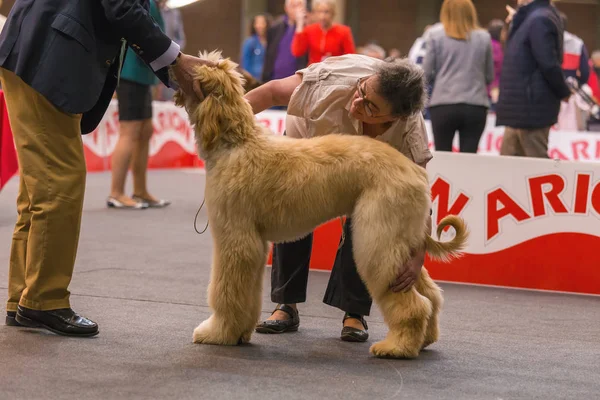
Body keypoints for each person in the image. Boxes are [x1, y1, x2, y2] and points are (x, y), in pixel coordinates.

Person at [0, 0, 212, 336]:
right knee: (60, 183)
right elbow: (122, 7)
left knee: (39, 188)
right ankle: (43, 300)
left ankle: (23, 298)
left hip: (35, 48)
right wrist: (176, 60)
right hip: (48, 55)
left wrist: (173, 64)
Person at [245, 54, 433, 342]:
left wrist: (419, 253)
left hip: (366, 171)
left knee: (369, 224)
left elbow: (417, 194)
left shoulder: (409, 132)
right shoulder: (329, 80)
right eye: (362, 91)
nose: (357, 103)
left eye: (370, 106)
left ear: (394, 118)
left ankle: (354, 311)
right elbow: (270, 93)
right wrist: (227, 124)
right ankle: (285, 304)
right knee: (290, 207)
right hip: (306, 144)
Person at [109, 0, 171, 209]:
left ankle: (141, 190)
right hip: (130, 76)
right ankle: (116, 193)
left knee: (145, 130)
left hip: (144, 77)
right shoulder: (148, 3)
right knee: (129, 130)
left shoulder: (156, 6)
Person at [496, 0, 570, 158]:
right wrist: (563, 91)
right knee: (518, 164)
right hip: (526, 108)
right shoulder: (536, 18)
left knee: (526, 164)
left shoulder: (535, 19)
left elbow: (547, 63)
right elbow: (547, 62)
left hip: (525, 108)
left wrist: (562, 90)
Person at [423, 0, 494, 154]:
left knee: (443, 155)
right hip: (475, 105)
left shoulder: (435, 35)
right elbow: (489, 76)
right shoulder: (484, 37)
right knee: (469, 158)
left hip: (443, 104)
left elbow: (427, 72)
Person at [291, 0, 355, 66]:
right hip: (314, 71)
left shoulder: (344, 31)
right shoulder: (310, 30)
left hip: (335, 71)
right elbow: (297, 52)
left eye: (326, 12)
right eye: (319, 12)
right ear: (315, 13)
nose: (322, 16)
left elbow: (351, 58)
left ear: (333, 13)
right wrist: (299, 25)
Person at [262, 0, 308, 84]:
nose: (297, 10)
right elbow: (269, 56)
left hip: (297, 82)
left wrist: (300, 24)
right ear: (286, 8)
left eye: (299, 5)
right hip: (275, 79)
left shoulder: (309, 29)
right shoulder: (275, 28)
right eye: (293, 6)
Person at [241, 14, 271, 81]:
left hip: (268, 79)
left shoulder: (271, 42)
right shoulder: (249, 42)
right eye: (257, 23)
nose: (259, 26)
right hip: (254, 80)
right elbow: (245, 63)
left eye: (262, 23)